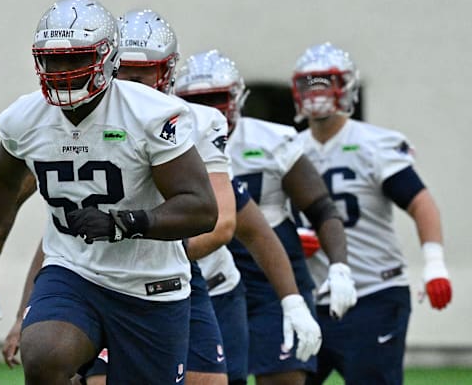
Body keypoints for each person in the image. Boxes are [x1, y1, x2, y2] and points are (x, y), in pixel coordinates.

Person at [0, 0, 220, 385]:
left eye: (74, 59)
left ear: (107, 58)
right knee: (44, 355)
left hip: (149, 283)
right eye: (53, 60)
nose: (61, 71)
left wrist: (123, 223)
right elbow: (2, 183)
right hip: (73, 269)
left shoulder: (150, 114)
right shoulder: (26, 118)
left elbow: (201, 209)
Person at [175, 50, 356, 385]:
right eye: (197, 100)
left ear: (237, 96)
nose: (209, 109)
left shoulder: (272, 140)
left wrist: (340, 265)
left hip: (269, 269)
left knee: (283, 375)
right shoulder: (172, 146)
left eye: (217, 98)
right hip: (210, 269)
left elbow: (321, 208)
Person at [290, 42, 453, 385]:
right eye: (308, 83)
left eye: (326, 82)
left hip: (372, 293)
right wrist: (291, 237)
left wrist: (435, 264)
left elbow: (421, 203)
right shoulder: (289, 147)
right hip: (310, 296)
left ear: (346, 86)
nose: (316, 93)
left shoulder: (375, 144)